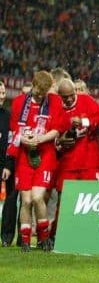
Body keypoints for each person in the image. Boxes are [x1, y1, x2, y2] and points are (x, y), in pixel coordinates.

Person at [5, 71, 68, 251]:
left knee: (38, 197)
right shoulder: (19, 103)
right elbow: (14, 131)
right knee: (26, 201)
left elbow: (57, 129)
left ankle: (43, 237)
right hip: (25, 155)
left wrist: (40, 139)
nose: (40, 96)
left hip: (45, 154)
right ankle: (25, 240)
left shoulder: (54, 102)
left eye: (43, 92)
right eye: (38, 91)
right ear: (33, 85)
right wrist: (25, 139)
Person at [53, 79, 99, 238]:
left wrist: (85, 121)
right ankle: (58, 236)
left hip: (89, 162)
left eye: (71, 95)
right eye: (65, 97)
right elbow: (54, 133)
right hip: (67, 163)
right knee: (64, 201)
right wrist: (60, 141)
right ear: (59, 96)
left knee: (92, 200)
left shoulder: (86, 100)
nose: (69, 99)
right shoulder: (57, 108)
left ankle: (90, 236)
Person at [0, 80, 18, 247]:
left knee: (11, 200)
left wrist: (8, 165)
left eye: (3, 93)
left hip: (6, 164)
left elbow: (12, 141)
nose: (1, 96)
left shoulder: (8, 116)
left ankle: (6, 237)